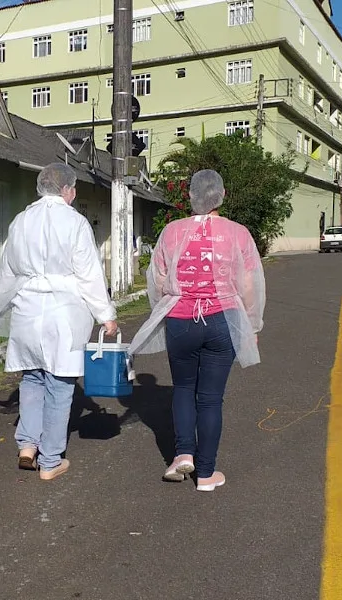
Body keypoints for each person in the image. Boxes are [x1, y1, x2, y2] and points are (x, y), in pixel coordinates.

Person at [0, 163, 118, 481]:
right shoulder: (75, 222)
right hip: (63, 312)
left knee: (32, 378)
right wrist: (106, 315)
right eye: (74, 188)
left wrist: (0, 304)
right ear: (67, 190)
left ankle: (27, 444)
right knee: (59, 384)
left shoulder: (21, 221)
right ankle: (51, 460)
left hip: (28, 310)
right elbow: (89, 274)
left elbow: (7, 269)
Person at [128, 170, 265, 492]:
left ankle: (182, 454)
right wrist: (252, 324)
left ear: (190, 196)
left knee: (183, 388)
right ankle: (206, 473)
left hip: (181, 319)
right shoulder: (238, 233)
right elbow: (249, 283)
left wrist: (165, 308)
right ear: (222, 195)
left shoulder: (172, 231)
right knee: (211, 399)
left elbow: (157, 279)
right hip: (223, 319)